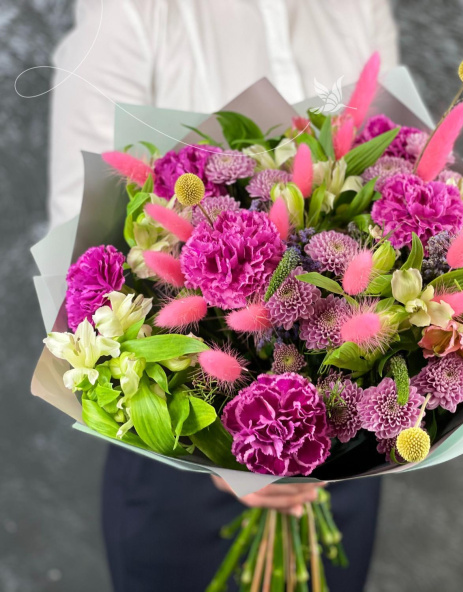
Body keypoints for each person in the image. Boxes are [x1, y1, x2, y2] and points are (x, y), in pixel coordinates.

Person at [49, 1, 400, 590]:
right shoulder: (131, 12)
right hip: (182, 467)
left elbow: (392, 175)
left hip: (342, 460)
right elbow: (79, 241)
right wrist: (217, 449)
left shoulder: (358, 8)